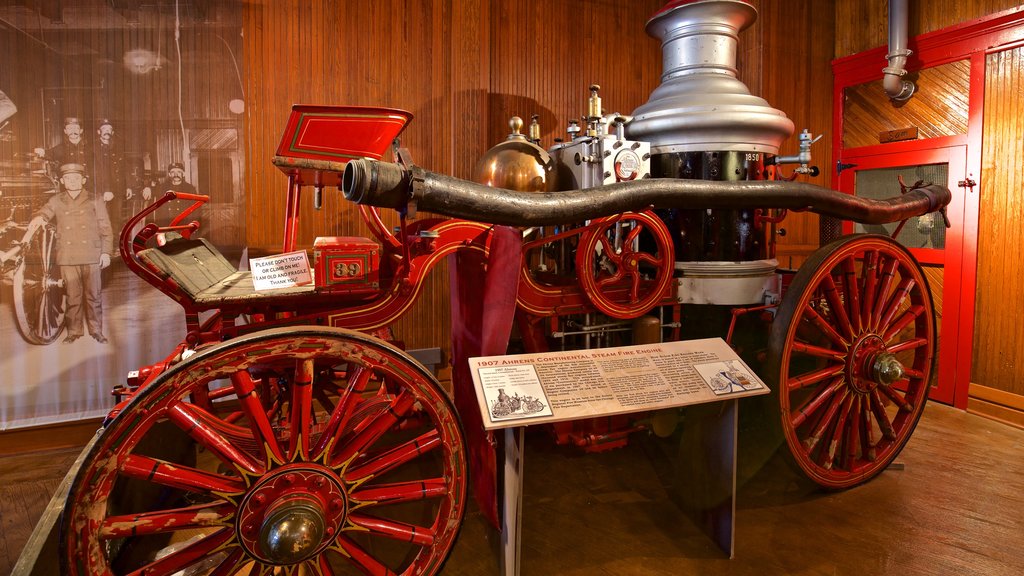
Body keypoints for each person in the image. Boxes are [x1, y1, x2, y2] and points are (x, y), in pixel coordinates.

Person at [25, 163, 113, 343]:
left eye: (76, 178)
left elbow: (106, 229)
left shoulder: (95, 199)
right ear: (62, 181)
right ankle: (74, 332)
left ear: (83, 180)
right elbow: (45, 212)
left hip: (92, 254)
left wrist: (106, 253)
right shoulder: (57, 200)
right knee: (72, 297)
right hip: (67, 255)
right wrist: (38, 218)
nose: (72, 182)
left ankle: (97, 331)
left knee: (94, 296)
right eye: (68, 178)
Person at [91, 119, 127, 230]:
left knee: (116, 219)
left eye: (109, 129)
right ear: (98, 132)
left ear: (112, 132)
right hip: (100, 191)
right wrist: (105, 189)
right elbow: (95, 171)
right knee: (100, 218)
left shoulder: (118, 147)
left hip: (117, 189)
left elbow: (124, 168)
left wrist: (128, 186)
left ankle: (115, 244)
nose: (107, 131)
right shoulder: (92, 148)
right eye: (104, 129)